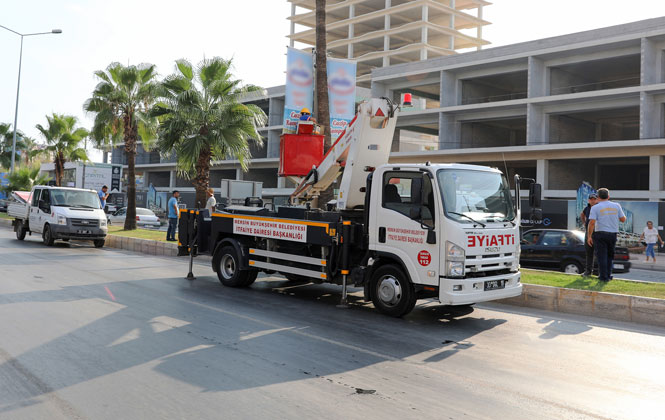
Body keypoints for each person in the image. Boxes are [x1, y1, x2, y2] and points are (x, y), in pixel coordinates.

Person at [587, 188, 626, 282]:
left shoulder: (595, 207)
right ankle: (608, 275)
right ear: (608, 196)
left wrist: (589, 236)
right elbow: (623, 219)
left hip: (600, 234)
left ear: (598, 197)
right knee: (609, 256)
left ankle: (603, 277)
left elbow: (592, 223)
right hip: (613, 234)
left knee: (601, 256)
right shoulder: (616, 205)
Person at [580, 193, 598, 277]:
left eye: (594, 199)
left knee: (598, 253)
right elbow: (582, 215)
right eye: (591, 199)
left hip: (598, 232)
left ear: (597, 200)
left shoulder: (599, 208)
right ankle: (588, 272)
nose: (593, 200)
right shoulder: (587, 208)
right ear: (588, 200)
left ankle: (598, 272)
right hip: (588, 232)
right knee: (589, 252)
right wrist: (584, 223)